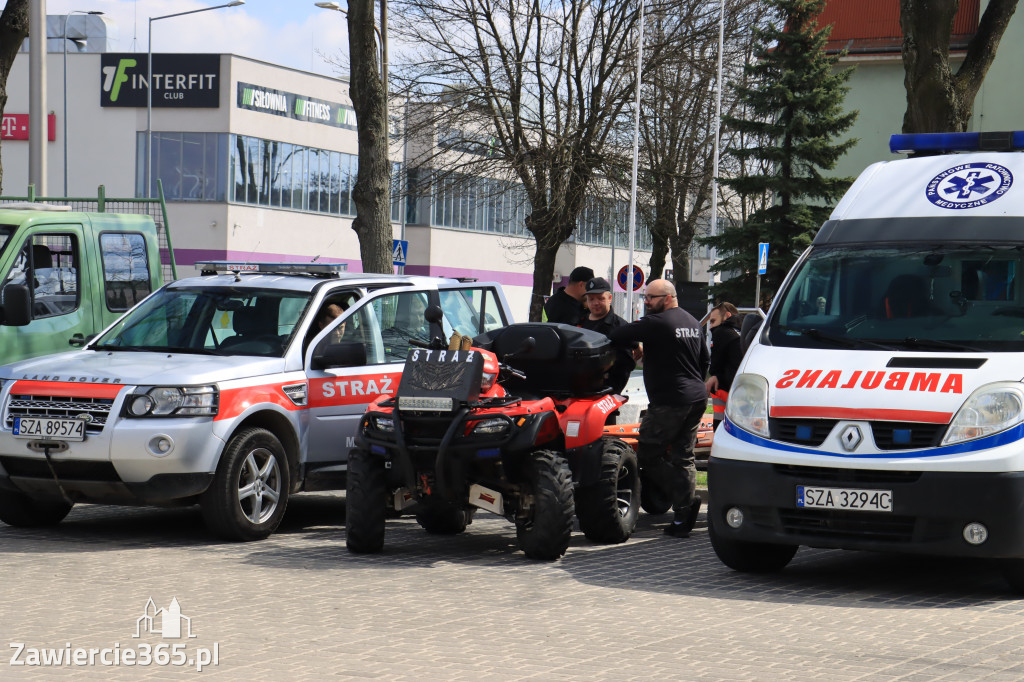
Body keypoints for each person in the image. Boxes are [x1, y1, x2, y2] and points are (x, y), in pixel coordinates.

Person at [609, 279, 709, 538]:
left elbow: (617, 334)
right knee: (683, 455)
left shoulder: (658, 322)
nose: (646, 302)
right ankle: (682, 518)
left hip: (670, 400)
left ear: (667, 298)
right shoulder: (692, 322)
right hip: (696, 397)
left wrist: (636, 344)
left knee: (649, 455)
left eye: (650, 298)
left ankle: (684, 502)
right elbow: (703, 360)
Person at [579, 276, 636, 396]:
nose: (595, 303)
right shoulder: (579, 323)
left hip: (606, 393)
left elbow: (625, 365)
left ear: (610, 298)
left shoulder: (620, 327)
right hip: (580, 390)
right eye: (591, 299)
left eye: (600, 298)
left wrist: (612, 392)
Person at [705, 302, 743, 429]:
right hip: (744, 390)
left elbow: (715, 364)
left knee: (720, 427)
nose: (710, 327)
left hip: (726, 387)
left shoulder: (721, 331)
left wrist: (713, 375)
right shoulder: (743, 331)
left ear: (727, 316)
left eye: (713, 321)